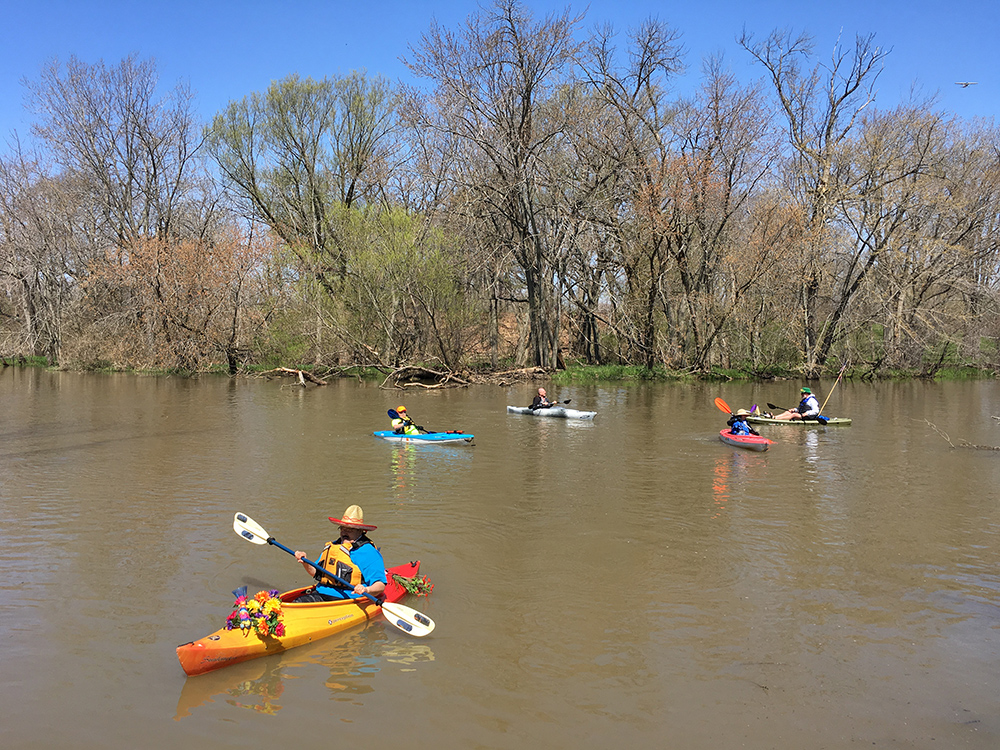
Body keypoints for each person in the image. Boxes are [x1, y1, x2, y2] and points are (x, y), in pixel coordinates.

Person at [293, 505, 387, 603]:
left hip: (347, 598)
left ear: (360, 531)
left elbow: (380, 585)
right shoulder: (333, 547)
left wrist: (366, 590)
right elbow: (316, 573)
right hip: (321, 593)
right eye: (342, 528)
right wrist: (304, 561)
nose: (344, 532)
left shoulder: (368, 552)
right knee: (297, 601)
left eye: (350, 529)